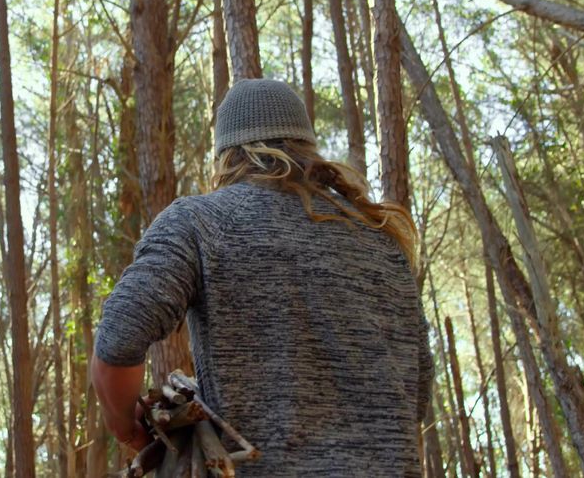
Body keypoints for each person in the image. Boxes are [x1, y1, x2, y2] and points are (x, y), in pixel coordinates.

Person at [91, 78, 433, 477]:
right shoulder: (380, 240)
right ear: (306, 145)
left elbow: (117, 340)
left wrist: (125, 425)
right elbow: (417, 388)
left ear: (226, 154)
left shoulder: (201, 221)